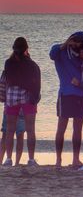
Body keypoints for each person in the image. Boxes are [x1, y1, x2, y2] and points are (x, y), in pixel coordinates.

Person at [50, 32, 83, 168]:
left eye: (81, 42)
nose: (78, 45)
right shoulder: (60, 51)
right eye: (77, 41)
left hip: (81, 94)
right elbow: (52, 55)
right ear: (71, 40)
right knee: (61, 127)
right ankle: (58, 160)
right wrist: (66, 44)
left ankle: (75, 159)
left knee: (78, 128)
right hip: (65, 93)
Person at [3, 37, 41, 166]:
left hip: (12, 96)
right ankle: (31, 159)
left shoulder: (8, 63)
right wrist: (35, 98)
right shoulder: (31, 64)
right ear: (26, 49)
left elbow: (9, 80)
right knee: (30, 130)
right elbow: (36, 83)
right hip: (27, 96)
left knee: (10, 130)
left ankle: (8, 159)